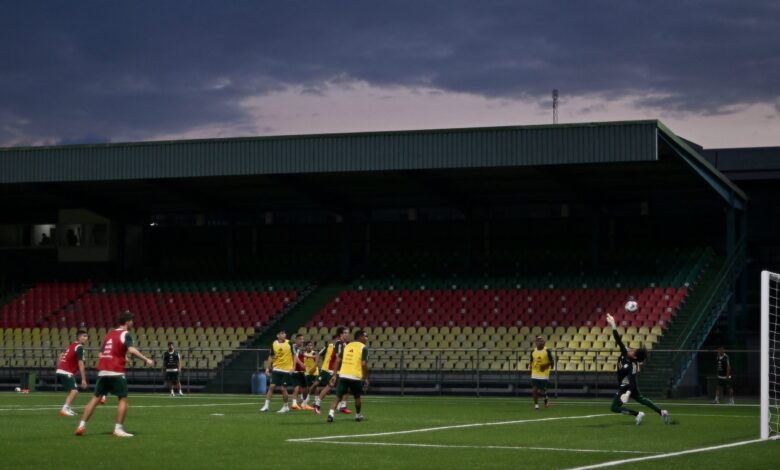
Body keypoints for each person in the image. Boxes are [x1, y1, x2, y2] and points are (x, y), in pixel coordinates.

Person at [75, 311, 155, 437]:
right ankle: (118, 429)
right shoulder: (126, 334)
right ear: (127, 322)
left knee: (95, 398)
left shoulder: (109, 334)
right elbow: (131, 349)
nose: (133, 323)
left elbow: (102, 353)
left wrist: (123, 358)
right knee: (123, 399)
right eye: (132, 321)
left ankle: (81, 426)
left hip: (103, 370)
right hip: (116, 371)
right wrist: (146, 359)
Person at [606, 313, 669, 425]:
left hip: (626, 386)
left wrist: (628, 393)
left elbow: (632, 380)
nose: (631, 349)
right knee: (642, 399)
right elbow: (618, 340)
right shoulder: (625, 352)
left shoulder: (633, 365)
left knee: (614, 407)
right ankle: (662, 412)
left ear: (635, 357)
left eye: (633, 351)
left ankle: (638, 415)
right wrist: (613, 324)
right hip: (628, 386)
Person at [327, 330, 369, 423]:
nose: (367, 338)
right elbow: (363, 364)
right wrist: (365, 377)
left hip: (343, 375)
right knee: (357, 397)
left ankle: (331, 413)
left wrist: (334, 375)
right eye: (365, 336)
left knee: (338, 396)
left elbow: (337, 361)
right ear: (360, 337)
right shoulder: (364, 348)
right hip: (355, 376)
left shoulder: (347, 346)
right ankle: (358, 415)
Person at [312, 326, 352, 415]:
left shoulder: (345, 344)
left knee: (345, 388)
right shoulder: (339, 344)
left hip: (340, 371)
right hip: (333, 371)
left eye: (347, 332)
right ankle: (318, 405)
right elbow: (338, 357)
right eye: (345, 333)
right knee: (329, 387)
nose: (347, 334)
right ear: (340, 334)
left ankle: (342, 406)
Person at [260, 329, 297, 413]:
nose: (284, 334)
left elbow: (295, 356)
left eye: (284, 333)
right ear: (278, 335)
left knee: (283, 388)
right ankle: (266, 406)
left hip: (287, 370)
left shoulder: (289, 343)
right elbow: (271, 356)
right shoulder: (274, 343)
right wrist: (267, 368)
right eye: (282, 333)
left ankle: (285, 406)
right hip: (276, 368)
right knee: (271, 387)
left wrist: (293, 367)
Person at [56, 330, 89, 416]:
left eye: (86, 336)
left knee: (72, 391)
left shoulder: (71, 345)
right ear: (79, 337)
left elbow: (60, 356)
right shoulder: (79, 347)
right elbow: (81, 364)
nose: (86, 338)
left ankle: (68, 408)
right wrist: (84, 379)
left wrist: (59, 367)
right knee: (74, 391)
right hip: (66, 371)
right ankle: (64, 409)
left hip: (62, 370)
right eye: (84, 336)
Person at [530, 335, 555, 410]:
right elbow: (531, 361)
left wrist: (546, 366)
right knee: (534, 389)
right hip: (534, 373)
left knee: (541, 391)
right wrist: (530, 368)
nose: (540, 342)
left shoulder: (547, 351)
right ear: (536, 342)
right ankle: (536, 406)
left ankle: (545, 397)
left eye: (542, 341)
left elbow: (552, 362)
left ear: (544, 343)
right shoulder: (533, 351)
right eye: (538, 341)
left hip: (544, 374)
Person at [289, 334, 310, 410]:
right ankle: (294, 403)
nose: (302, 340)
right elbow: (295, 357)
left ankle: (304, 404)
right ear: (296, 340)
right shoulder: (293, 346)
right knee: (296, 387)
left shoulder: (300, 348)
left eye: (303, 339)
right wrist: (300, 364)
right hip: (295, 370)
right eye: (301, 339)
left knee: (305, 389)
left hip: (301, 371)